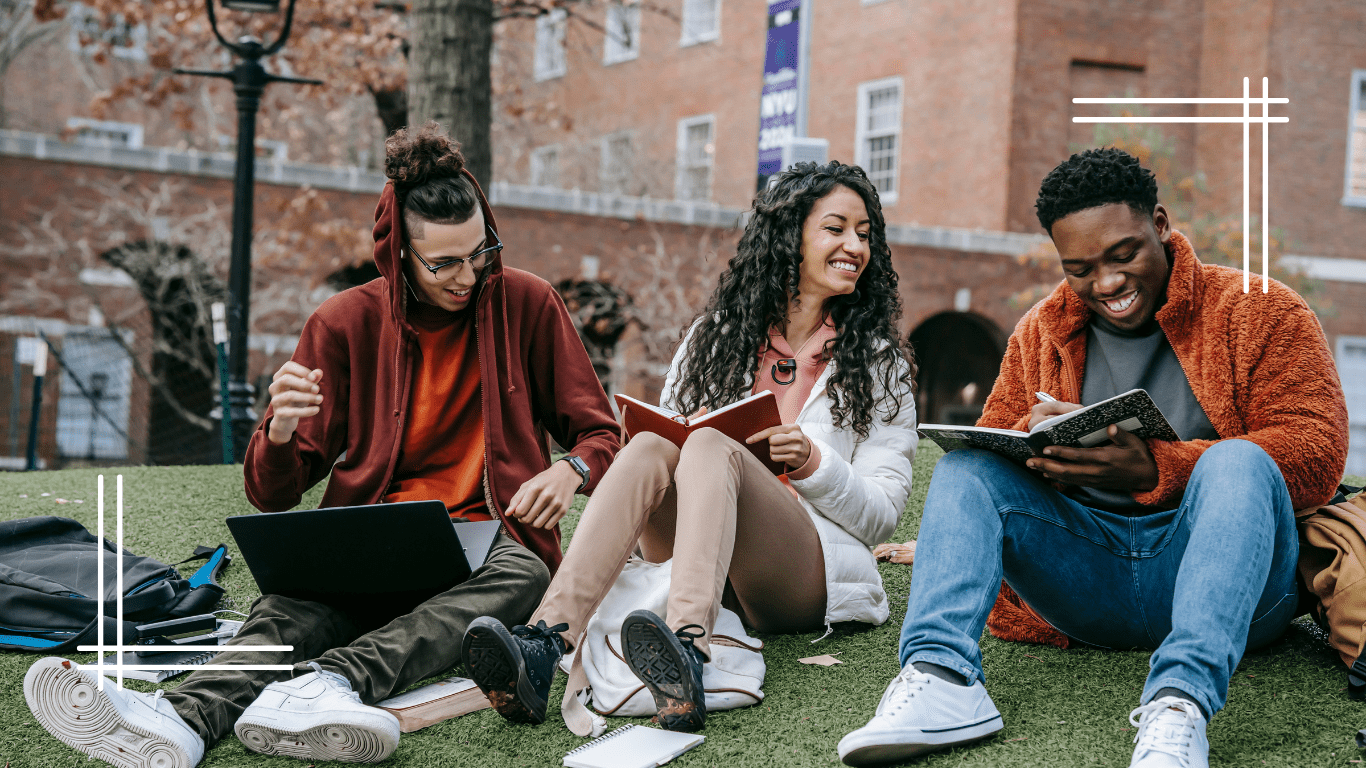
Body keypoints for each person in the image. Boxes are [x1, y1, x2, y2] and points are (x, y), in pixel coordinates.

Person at [22, 122, 621, 768]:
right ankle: (181, 719)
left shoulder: (528, 304)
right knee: (284, 610)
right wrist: (279, 431)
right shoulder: (341, 324)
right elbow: (271, 492)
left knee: (525, 575)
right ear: (398, 255)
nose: (468, 276)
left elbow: (601, 432)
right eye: (443, 263)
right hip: (370, 541)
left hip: (486, 545)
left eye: (480, 252)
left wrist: (572, 471)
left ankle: (327, 683)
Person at [839, 147, 1350, 767]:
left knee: (1238, 463)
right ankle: (941, 680)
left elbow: (1317, 453)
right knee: (966, 468)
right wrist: (1031, 443)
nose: (1105, 283)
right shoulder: (1040, 330)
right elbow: (995, 448)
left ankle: (1178, 705)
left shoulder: (1261, 310)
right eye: (1079, 267)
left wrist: (1159, 470)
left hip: (1232, 588)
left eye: (1123, 254)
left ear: (1160, 224)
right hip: (1087, 583)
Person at [458, 160, 919, 734]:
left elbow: (880, 516)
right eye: (836, 228)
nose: (855, 245)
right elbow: (671, 441)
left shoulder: (878, 362)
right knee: (655, 443)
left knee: (709, 449)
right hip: (694, 553)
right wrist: (683, 431)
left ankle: (687, 650)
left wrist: (813, 463)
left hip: (799, 574)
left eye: (865, 233)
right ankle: (544, 642)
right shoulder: (715, 337)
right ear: (789, 236)